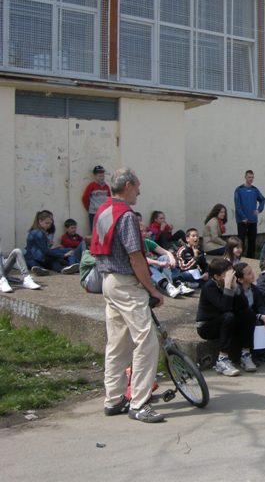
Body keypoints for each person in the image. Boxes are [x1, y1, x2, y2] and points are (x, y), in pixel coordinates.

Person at [92, 167, 165, 423]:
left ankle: (113, 399)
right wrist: (152, 289)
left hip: (108, 280)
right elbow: (136, 257)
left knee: (117, 343)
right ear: (128, 185)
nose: (139, 192)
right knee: (147, 342)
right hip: (125, 283)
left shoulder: (103, 210)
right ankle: (139, 402)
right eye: (137, 187)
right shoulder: (126, 216)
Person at [196, 258, 258, 376]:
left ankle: (245, 354)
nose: (231, 275)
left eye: (231, 271)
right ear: (217, 276)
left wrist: (235, 287)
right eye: (227, 273)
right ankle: (222, 360)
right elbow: (225, 307)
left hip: (227, 322)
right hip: (207, 326)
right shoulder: (209, 287)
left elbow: (243, 306)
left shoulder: (233, 283)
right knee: (228, 316)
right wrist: (228, 287)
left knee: (249, 313)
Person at [234, 170, 265, 259]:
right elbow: (237, 205)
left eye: (252, 177)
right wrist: (243, 217)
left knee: (252, 240)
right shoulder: (239, 189)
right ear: (245, 177)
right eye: (249, 177)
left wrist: (259, 210)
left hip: (252, 220)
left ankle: (250, 258)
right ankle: (239, 258)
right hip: (242, 220)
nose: (251, 179)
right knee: (241, 240)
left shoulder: (254, 190)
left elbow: (262, 200)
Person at [81, 165, 110, 230]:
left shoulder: (106, 187)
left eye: (103, 176)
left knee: (105, 231)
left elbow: (109, 199)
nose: (101, 178)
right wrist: (89, 208)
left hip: (104, 213)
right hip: (94, 213)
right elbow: (85, 198)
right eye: (99, 176)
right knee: (94, 231)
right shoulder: (91, 186)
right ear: (95, 176)